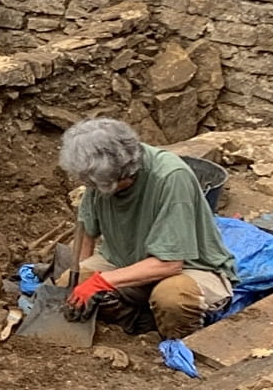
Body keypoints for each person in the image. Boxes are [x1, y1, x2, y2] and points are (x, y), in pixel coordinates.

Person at [59, 117, 237, 339]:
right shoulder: (99, 172)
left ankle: (178, 340)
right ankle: (140, 322)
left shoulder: (170, 177)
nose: (92, 188)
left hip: (189, 267)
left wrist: (101, 282)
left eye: (96, 185)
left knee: (173, 298)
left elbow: (170, 263)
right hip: (125, 260)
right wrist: (79, 280)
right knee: (69, 285)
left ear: (122, 175)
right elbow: (86, 231)